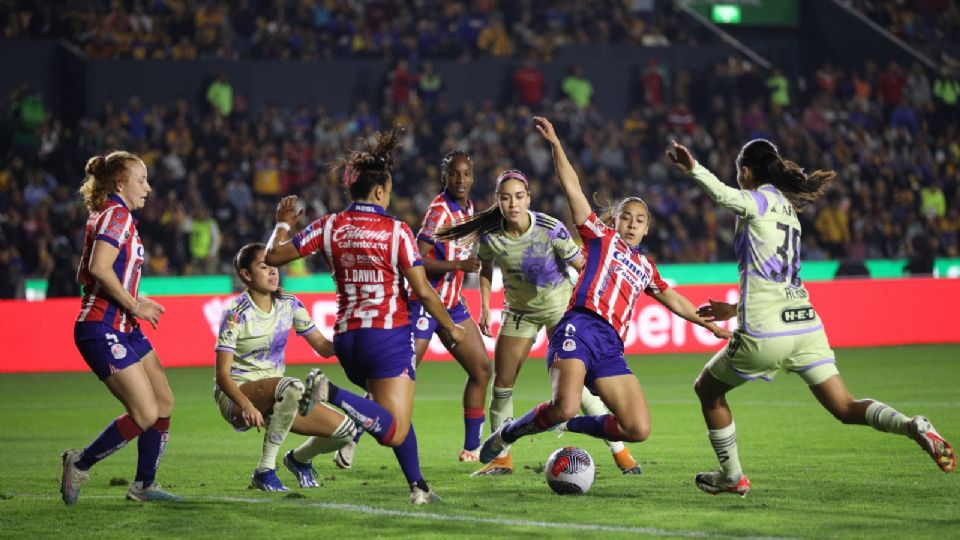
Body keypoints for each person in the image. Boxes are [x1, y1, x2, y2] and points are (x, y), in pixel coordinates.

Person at [666, 138, 956, 497]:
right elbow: (776, 276)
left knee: (707, 391)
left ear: (745, 171)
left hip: (767, 331)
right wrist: (735, 308)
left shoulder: (758, 200)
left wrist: (693, 168)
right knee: (846, 407)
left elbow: (723, 196)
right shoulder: (789, 211)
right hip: (804, 324)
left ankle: (732, 476)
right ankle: (912, 425)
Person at [477, 117, 729, 466]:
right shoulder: (600, 236)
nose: (632, 224)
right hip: (579, 327)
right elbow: (572, 188)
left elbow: (672, 298)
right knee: (563, 402)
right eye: (626, 217)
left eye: (639, 220)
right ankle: (508, 433)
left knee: (638, 427)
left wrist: (708, 324)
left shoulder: (645, 268)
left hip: (610, 345)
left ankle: (568, 425)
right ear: (616, 220)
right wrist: (556, 145)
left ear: (646, 229)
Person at [264, 127, 466, 504]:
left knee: (394, 413)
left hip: (347, 339)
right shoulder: (396, 231)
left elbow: (273, 257)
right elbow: (423, 290)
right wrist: (452, 326)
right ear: (378, 191)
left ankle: (418, 487)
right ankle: (331, 392)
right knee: (394, 428)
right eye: (388, 190)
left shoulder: (329, 226)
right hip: (386, 336)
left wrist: (283, 223)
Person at [437, 169, 642, 476]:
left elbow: (584, 264)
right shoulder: (490, 236)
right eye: (506, 198)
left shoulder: (550, 229)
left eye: (519, 197)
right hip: (518, 312)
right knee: (502, 386)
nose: (513, 204)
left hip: (561, 308)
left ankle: (620, 452)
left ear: (528, 198)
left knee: (577, 390)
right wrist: (484, 307)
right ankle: (501, 460)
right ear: (498, 200)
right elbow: (484, 266)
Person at [61, 151, 179, 504]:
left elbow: (110, 271)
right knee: (144, 413)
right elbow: (99, 268)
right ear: (120, 183)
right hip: (102, 326)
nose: (148, 187)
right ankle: (79, 463)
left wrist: (134, 300)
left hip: (122, 327)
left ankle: (144, 485)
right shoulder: (118, 216)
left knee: (163, 403)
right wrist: (134, 304)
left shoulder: (112, 216)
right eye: (141, 180)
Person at [214, 242, 357, 492]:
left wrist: (353, 336)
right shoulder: (236, 313)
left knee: (345, 431)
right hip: (236, 396)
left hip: (280, 396)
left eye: (275, 266)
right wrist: (247, 405)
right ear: (246, 275)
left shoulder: (289, 304)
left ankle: (298, 459)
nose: (272, 272)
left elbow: (323, 348)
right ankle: (264, 470)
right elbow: (222, 376)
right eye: (264, 266)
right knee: (292, 386)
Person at [405, 150, 492, 463]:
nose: (461, 179)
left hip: (453, 304)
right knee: (400, 375)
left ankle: (472, 448)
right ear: (445, 176)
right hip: (425, 302)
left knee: (481, 369)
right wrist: (456, 264)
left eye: (466, 173)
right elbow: (417, 259)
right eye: (455, 174)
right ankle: (351, 435)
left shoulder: (468, 207)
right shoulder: (439, 211)